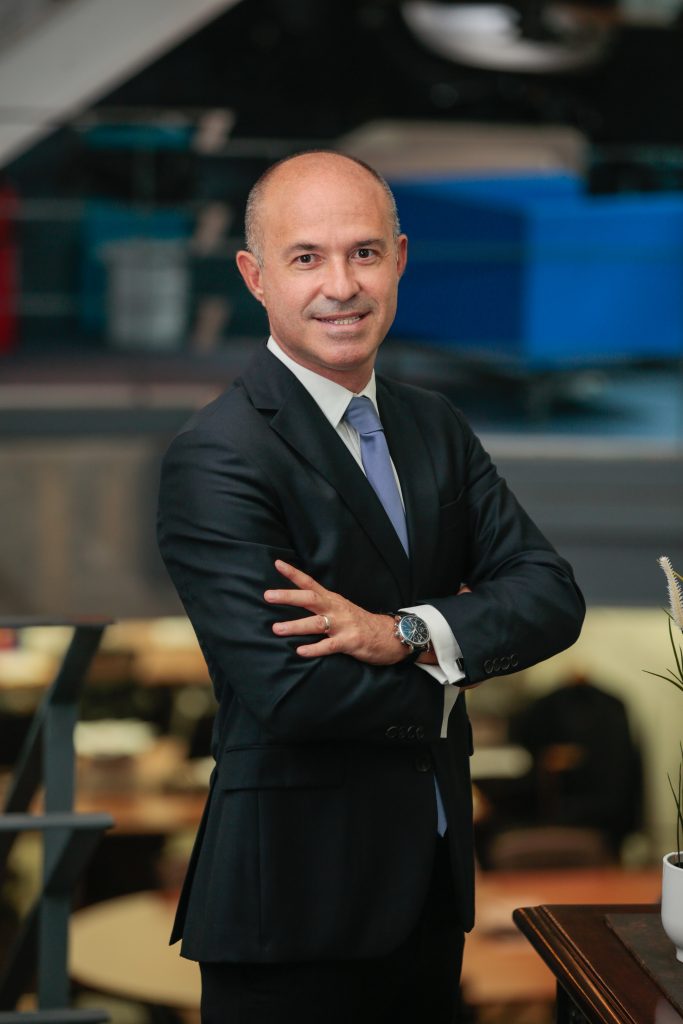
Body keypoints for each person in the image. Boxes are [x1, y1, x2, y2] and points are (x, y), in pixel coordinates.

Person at [157, 150, 585, 1024]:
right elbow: (292, 692)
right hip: (293, 911)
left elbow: (549, 594)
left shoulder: (434, 425)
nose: (341, 285)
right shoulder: (220, 455)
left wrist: (405, 634)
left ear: (399, 259)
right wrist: (455, 672)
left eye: (363, 252)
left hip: (428, 894)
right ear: (255, 277)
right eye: (305, 258)